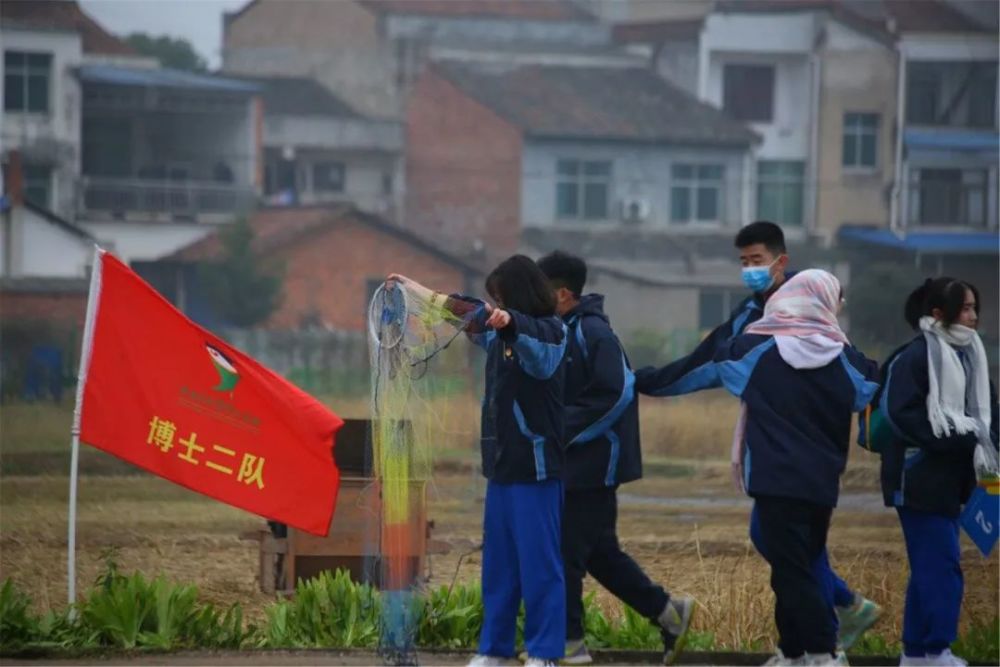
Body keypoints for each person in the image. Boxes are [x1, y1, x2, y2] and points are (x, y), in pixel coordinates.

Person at [635, 222, 882, 651]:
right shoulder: (781, 327)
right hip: (815, 471)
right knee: (784, 550)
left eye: (757, 261)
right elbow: (706, 357)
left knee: (794, 561)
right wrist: (650, 382)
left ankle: (825, 642)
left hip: (778, 467)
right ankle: (806, 641)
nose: (750, 270)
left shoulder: (784, 332)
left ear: (781, 262)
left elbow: (715, 363)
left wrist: (639, 384)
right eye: (744, 262)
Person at [388, 256, 568, 667]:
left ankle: (544, 653)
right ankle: (494, 650)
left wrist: (512, 324)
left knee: (540, 566)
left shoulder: (553, 333)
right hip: (502, 470)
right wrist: (417, 292)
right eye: (494, 299)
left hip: (536, 472)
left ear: (519, 297)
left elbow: (539, 353)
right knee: (499, 567)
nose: (495, 305)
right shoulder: (496, 336)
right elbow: (467, 314)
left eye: (501, 298)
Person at [537, 251, 695, 666]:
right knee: (600, 553)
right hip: (575, 464)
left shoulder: (593, 333)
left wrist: (561, 432)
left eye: (540, 290)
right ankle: (668, 612)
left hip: (592, 467)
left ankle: (568, 644)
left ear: (563, 293)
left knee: (565, 553)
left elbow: (615, 395)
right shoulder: (565, 329)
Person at [716, 269, 879, 667]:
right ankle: (791, 652)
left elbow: (726, 361)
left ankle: (823, 653)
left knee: (793, 570)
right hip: (822, 481)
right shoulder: (843, 356)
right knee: (796, 564)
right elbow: (868, 386)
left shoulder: (762, 349)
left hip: (775, 479)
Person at [879, 278, 998, 667]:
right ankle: (938, 650)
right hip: (916, 478)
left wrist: (986, 445)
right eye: (965, 308)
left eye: (974, 308)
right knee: (943, 566)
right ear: (938, 314)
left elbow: (988, 415)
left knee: (929, 567)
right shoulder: (915, 357)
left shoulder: (970, 355)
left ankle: (916, 655)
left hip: (950, 482)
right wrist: (956, 437)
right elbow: (901, 414)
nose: (974, 316)